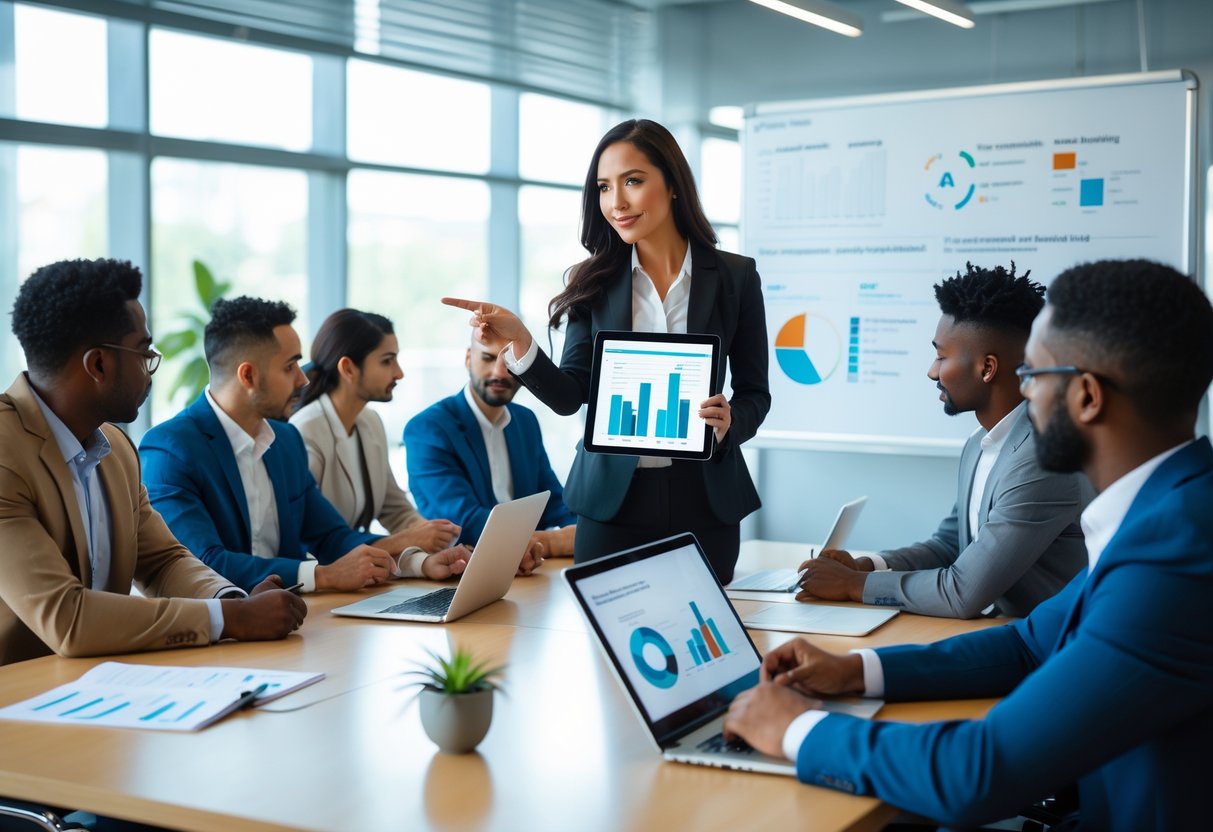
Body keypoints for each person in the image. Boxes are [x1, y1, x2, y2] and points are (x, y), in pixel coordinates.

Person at [722, 259, 1213, 830]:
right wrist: (855, 670)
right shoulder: (1162, 515)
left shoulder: (1177, 555)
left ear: (1085, 396)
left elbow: (979, 772)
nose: (1024, 393)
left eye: (1035, 375)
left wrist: (796, 728)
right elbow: (1028, 645)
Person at [443, 119, 769, 584]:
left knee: (702, 626)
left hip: (704, 497)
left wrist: (731, 422)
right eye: (603, 187)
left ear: (673, 184)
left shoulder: (735, 278)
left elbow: (756, 392)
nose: (616, 202)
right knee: (609, 628)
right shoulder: (592, 281)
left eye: (632, 181)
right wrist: (520, 341)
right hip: (612, 503)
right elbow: (569, 395)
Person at [0, 259, 305, 666]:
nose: (150, 368)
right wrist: (233, 618)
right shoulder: (5, 452)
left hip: (103, 683)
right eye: (143, 352)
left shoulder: (115, 448)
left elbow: (163, 562)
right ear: (98, 364)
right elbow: (67, 618)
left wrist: (231, 600)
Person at [139, 297, 488, 594]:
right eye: (289, 366)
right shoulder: (172, 449)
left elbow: (332, 538)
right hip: (219, 632)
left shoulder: (284, 441)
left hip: (293, 619)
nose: (303, 378)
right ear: (248, 376)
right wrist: (322, 577)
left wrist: (419, 563)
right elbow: (204, 564)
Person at [798, 263, 1091, 618]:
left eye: (941, 356)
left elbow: (962, 591)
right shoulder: (980, 444)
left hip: (1048, 640)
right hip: (1000, 629)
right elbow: (951, 545)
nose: (932, 371)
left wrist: (852, 585)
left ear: (987, 368)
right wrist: (866, 566)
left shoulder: (1041, 458)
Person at [290, 308, 460, 553]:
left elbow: (396, 510)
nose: (399, 373)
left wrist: (440, 540)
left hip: (359, 564)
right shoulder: (305, 432)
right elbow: (309, 538)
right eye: (387, 361)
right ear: (348, 368)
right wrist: (410, 541)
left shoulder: (370, 421)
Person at [404, 331, 577, 560]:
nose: (499, 372)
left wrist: (578, 531)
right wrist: (553, 542)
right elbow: (462, 522)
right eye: (487, 358)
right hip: (462, 568)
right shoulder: (427, 428)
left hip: (528, 564)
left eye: (511, 362)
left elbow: (553, 501)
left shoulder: (525, 421)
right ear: (468, 358)